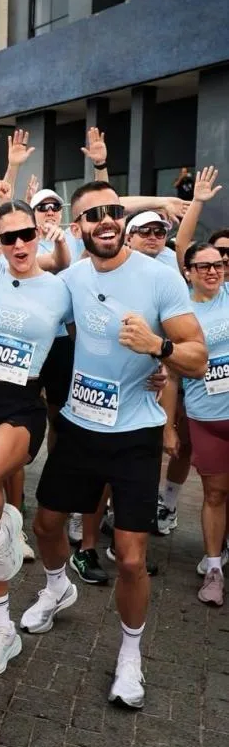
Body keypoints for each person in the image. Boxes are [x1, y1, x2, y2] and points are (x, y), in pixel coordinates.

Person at [21, 180, 207, 709]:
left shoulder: (159, 277)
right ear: (76, 228)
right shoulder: (71, 279)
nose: (103, 220)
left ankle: (130, 655)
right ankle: (58, 587)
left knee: (129, 558)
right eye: (90, 214)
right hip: (79, 426)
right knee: (46, 525)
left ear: (120, 218)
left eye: (110, 210)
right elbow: (30, 309)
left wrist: (159, 347)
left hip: (134, 435)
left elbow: (197, 355)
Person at [0, 174, 72, 675]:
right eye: (9, 236)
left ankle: (5, 519)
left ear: (40, 234)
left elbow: (97, 339)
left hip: (22, 405)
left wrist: (155, 371)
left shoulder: (63, 289)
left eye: (27, 234)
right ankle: (2, 629)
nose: (19, 243)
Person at [163, 243, 229, 605]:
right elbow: (172, 377)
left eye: (217, 264)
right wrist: (169, 427)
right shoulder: (181, 313)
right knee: (215, 493)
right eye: (202, 266)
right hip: (206, 416)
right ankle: (214, 567)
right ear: (187, 271)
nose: (212, 271)